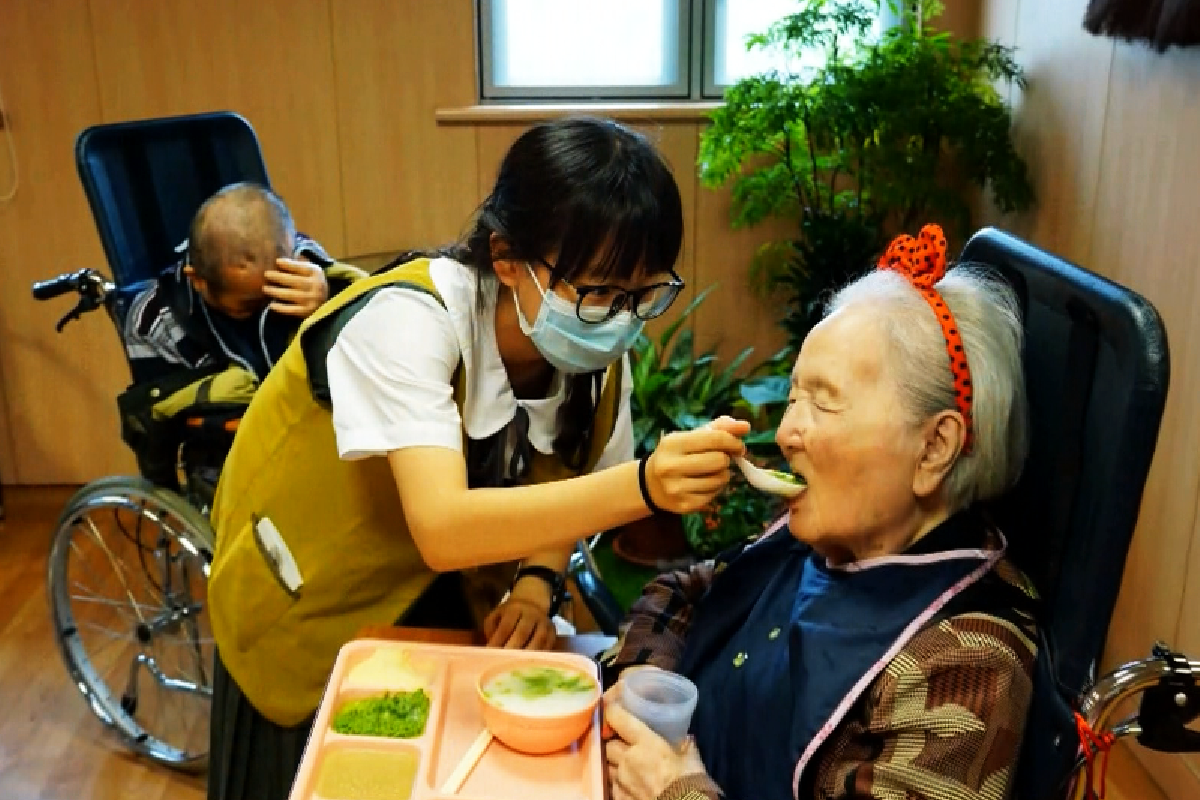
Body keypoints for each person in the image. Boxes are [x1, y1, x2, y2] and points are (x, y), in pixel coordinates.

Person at [204, 116, 751, 800]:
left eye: (644, 295)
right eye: (598, 292)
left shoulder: (594, 352)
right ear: (505, 256)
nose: (621, 319)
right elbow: (443, 526)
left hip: (432, 600)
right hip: (307, 596)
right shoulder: (407, 321)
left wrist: (536, 581)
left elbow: (568, 478)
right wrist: (642, 485)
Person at [601, 224, 1039, 800]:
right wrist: (645, 683)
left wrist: (677, 790)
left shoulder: (966, 659)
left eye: (824, 403)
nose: (785, 434)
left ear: (933, 448)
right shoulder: (823, 538)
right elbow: (680, 595)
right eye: (792, 399)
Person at [122, 181, 363, 384]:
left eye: (279, 291)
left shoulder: (306, 266)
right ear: (198, 281)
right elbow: (164, 426)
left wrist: (330, 304)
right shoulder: (153, 324)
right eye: (250, 304)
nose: (269, 306)